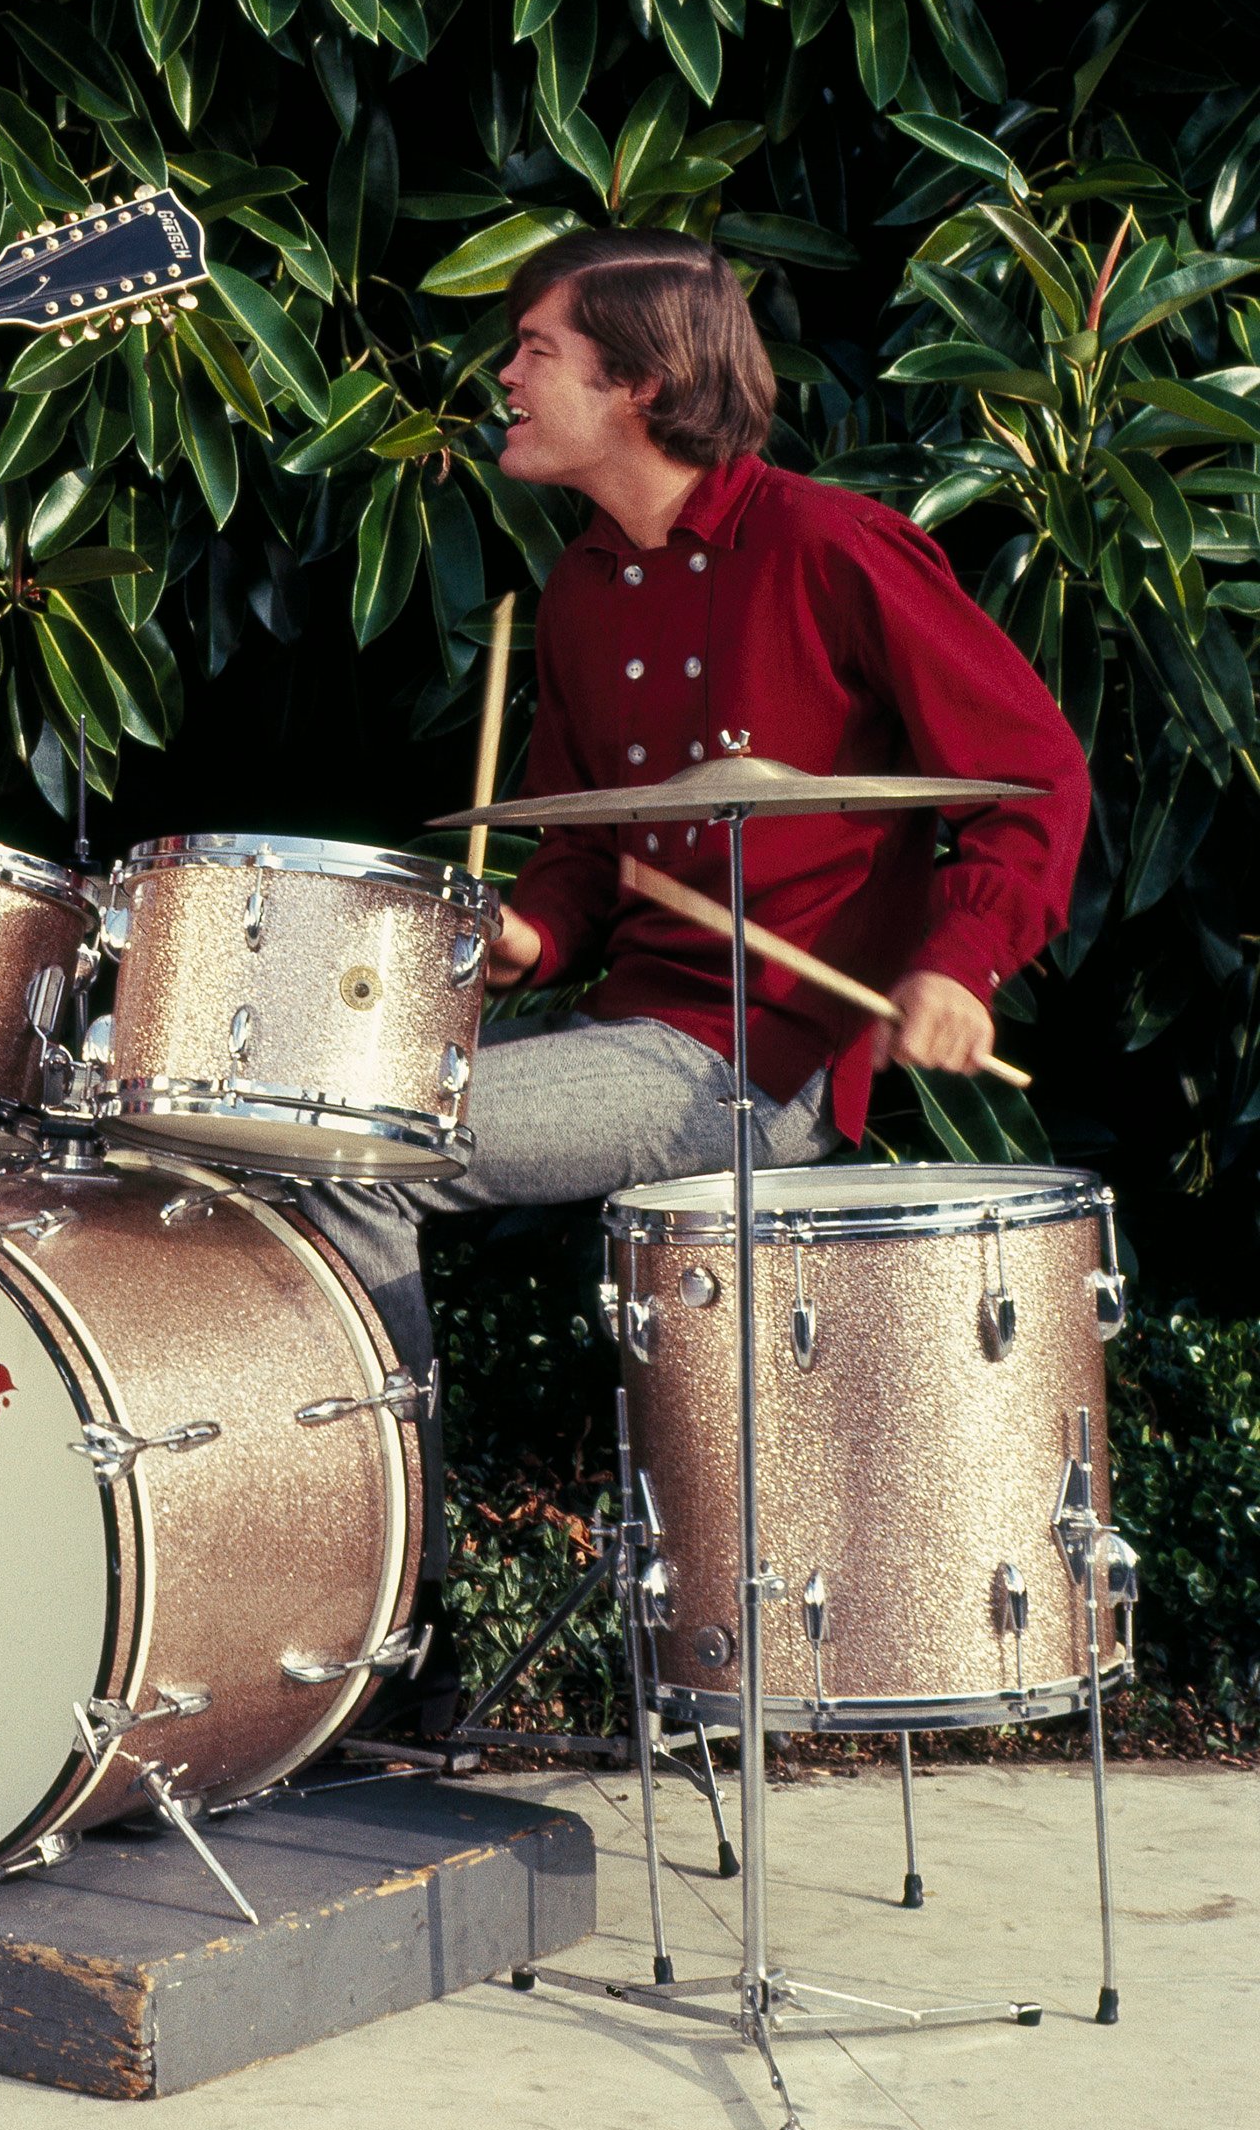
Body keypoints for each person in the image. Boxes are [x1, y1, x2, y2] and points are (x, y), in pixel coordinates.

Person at [297, 227, 1091, 1723]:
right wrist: (512, 937)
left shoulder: (832, 546)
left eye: (536, 347)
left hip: (758, 1065)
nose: (507, 373)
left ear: (642, 382)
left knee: (364, 1146)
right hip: (632, 1032)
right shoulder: (584, 586)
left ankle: (395, 1613)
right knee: (303, 1122)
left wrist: (961, 959)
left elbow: (1034, 774)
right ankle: (323, 1585)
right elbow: (581, 865)